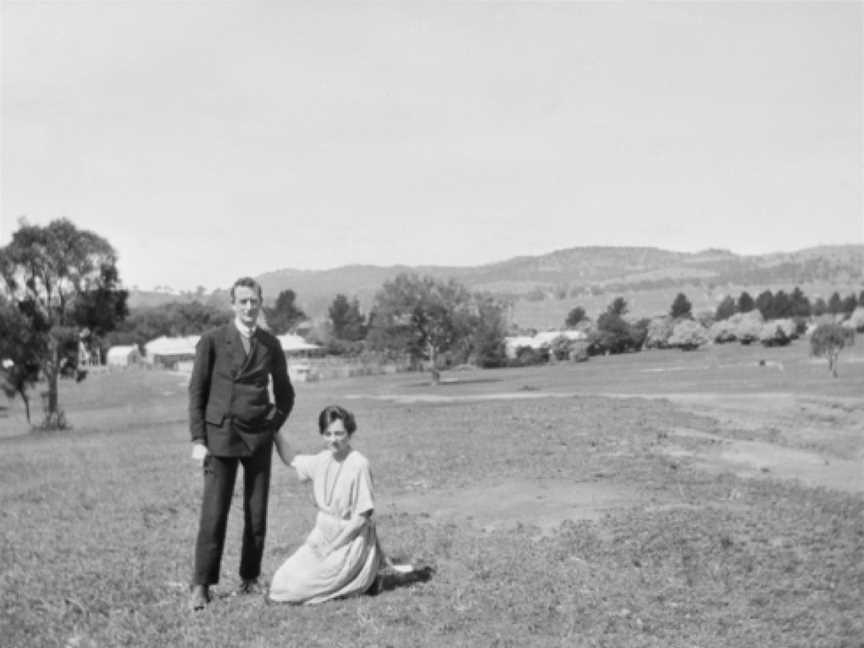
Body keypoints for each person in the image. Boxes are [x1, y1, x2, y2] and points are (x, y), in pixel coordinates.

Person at [188, 277, 294, 611]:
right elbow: (197, 393)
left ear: (261, 303)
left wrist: (270, 426)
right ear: (233, 305)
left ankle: (250, 577)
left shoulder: (270, 344)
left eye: (254, 302)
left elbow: (286, 394)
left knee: (257, 513)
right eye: (243, 302)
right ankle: (202, 585)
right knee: (214, 514)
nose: (249, 308)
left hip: (257, 438)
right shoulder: (213, 341)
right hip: (220, 437)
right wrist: (198, 439)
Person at [268, 405, 382, 604]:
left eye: (339, 433)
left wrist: (332, 547)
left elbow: (361, 517)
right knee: (280, 583)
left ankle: (366, 576)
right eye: (328, 434)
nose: (333, 440)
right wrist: (273, 430)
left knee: (298, 587)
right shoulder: (322, 460)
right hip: (322, 536)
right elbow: (292, 459)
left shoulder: (359, 464)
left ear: (350, 433)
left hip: (349, 540)